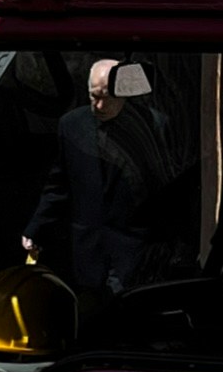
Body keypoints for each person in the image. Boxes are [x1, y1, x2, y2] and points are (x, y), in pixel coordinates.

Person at [23, 59, 176, 304]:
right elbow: (59, 184)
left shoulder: (153, 125)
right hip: (89, 250)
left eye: (108, 97)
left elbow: (166, 191)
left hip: (134, 250)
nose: (101, 105)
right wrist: (36, 228)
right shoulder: (71, 125)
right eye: (94, 97)